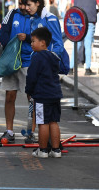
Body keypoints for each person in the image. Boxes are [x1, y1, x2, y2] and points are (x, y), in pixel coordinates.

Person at [0, 0, 33, 144]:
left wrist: (28, 38)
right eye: (21, 3)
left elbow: (43, 37)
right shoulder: (11, 14)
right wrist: (12, 43)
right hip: (12, 63)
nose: (23, 7)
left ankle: (31, 131)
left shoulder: (36, 17)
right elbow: (2, 35)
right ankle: (9, 131)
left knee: (32, 98)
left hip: (29, 62)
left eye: (26, 4)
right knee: (9, 96)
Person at [25, 27, 63, 158]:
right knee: (54, 121)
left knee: (42, 122)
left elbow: (31, 77)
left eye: (33, 41)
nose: (31, 43)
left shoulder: (37, 57)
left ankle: (43, 150)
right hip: (55, 94)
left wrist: (28, 91)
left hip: (42, 95)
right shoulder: (54, 56)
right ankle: (56, 150)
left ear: (42, 42)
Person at [69, 0, 99, 75]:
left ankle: (71, 68)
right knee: (88, 45)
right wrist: (95, 10)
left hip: (78, 23)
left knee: (76, 44)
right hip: (89, 22)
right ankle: (87, 69)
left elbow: (72, 8)